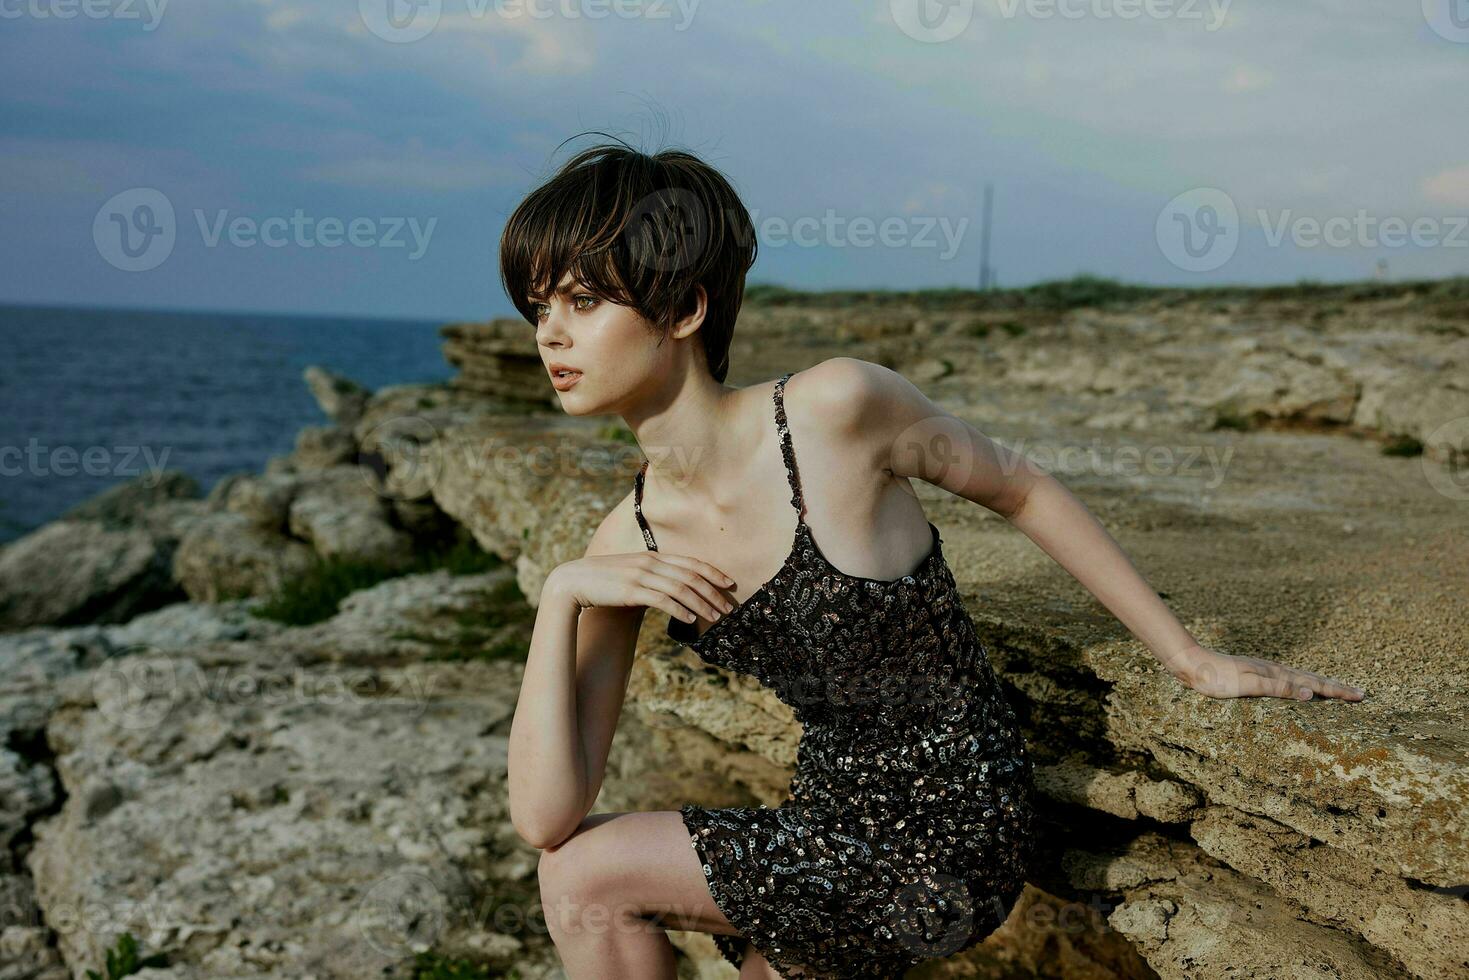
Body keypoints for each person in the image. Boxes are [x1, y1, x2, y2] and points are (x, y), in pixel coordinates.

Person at [503, 137, 1366, 980]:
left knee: (582, 877)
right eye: (539, 307)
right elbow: (545, 814)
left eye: (582, 301)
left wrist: (1189, 658)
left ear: (685, 310)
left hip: (953, 825)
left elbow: (1020, 489)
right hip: (828, 820)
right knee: (587, 872)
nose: (551, 336)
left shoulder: (833, 410)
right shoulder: (626, 540)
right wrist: (562, 594)